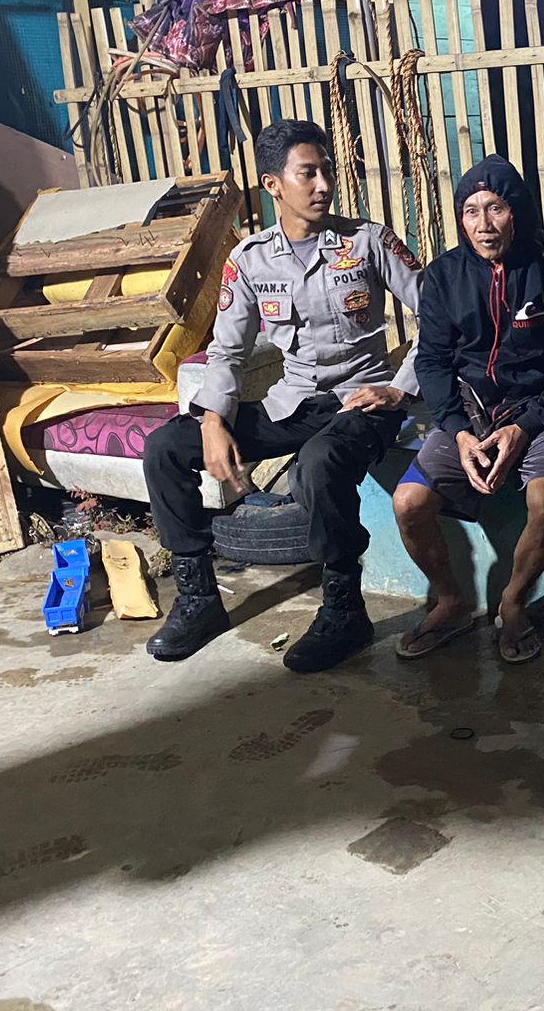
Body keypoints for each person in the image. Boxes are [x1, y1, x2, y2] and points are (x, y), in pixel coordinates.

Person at [142, 119, 423, 672]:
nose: (324, 185)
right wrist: (212, 421)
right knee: (166, 447)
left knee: (317, 465)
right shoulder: (250, 260)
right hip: (291, 403)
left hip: (362, 401)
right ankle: (199, 600)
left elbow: (438, 317)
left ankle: (346, 611)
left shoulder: (368, 241)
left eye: (327, 171)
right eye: (307, 173)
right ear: (273, 185)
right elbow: (227, 352)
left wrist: (399, 388)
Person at [392, 155, 544, 664]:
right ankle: (451, 602)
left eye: (496, 208)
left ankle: (513, 602)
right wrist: (457, 431)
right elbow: (433, 361)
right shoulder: (444, 275)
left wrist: (525, 427)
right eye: (471, 211)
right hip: (471, 414)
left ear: (517, 211)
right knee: (408, 503)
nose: (484, 224)